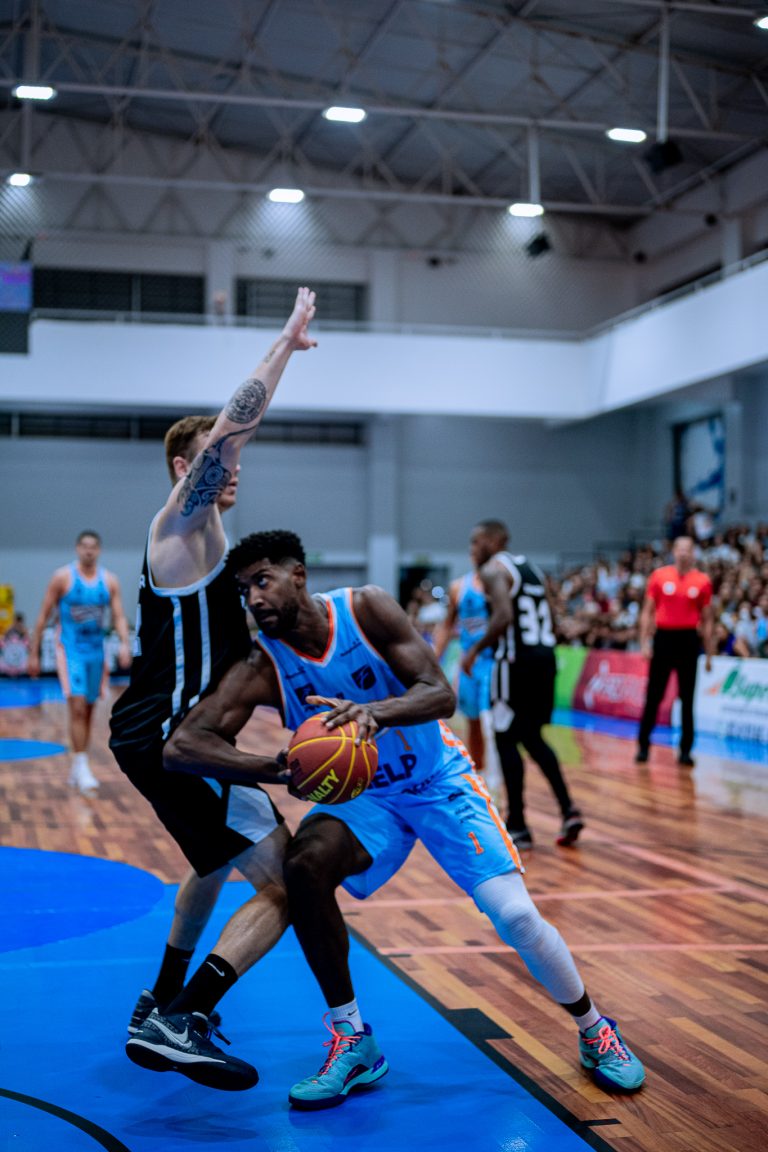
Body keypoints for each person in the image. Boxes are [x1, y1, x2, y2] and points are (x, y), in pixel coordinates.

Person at [163, 529, 645, 1109]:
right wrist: (276, 768)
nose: (254, 598)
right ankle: (352, 1040)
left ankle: (595, 1029)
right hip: (368, 798)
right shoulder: (262, 664)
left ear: (299, 576)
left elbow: (439, 693)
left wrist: (374, 713)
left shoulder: (364, 609)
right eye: (244, 590)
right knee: (303, 866)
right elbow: (182, 746)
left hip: (438, 781)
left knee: (515, 916)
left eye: (262, 581)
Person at [116, 288, 317, 1091]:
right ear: (186, 468)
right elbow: (236, 425)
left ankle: (158, 1001)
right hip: (178, 741)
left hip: (168, 736)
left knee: (211, 862)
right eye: (219, 461)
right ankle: (184, 1017)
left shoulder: (212, 535)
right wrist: (283, 344)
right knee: (291, 882)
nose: (236, 468)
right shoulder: (179, 525)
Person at [462, 520, 583, 852]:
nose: (473, 549)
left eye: (476, 542)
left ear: (494, 540)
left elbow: (503, 616)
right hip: (545, 659)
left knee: (504, 738)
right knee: (532, 737)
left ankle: (517, 823)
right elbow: (553, 619)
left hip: (513, 663)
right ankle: (568, 809)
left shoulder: (493, 569)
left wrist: (474, 650)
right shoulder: (534, 570)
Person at [28, 531, 132, 792]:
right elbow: (42, 616)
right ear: (77, 548)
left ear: (99, 550)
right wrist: (34, 653)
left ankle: (78, 763)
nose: (88, 551)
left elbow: (119, 616)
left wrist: (124, 643)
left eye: (93, 547)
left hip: (96, 651)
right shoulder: (62, 578)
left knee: (88, 709)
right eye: (84, 546)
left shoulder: (109, 581)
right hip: (70, 650)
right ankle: (82, 763)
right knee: (76, 706)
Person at [636, 535, 714, 767]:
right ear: (674, 552)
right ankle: (643, 745)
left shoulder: (702, 581)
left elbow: (708, 619)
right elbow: (647, 611)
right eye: (680, 549)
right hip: (663, 639)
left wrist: (709, 652)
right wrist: (644, 642)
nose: (683, 553)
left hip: (688, 641)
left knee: (687, 698)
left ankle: (686, 750)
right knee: (654, 696)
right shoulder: (659, 576)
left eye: (687, 549)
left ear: (693, 553)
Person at [433, 569, 499, 780]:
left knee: (491, 723)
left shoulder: (498, 581)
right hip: (468, 664)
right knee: (473, 722)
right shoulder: (459, 586)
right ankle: (479, 774)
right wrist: (434, 659)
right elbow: (447, 625)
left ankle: (496, 779)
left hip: (493, 661)